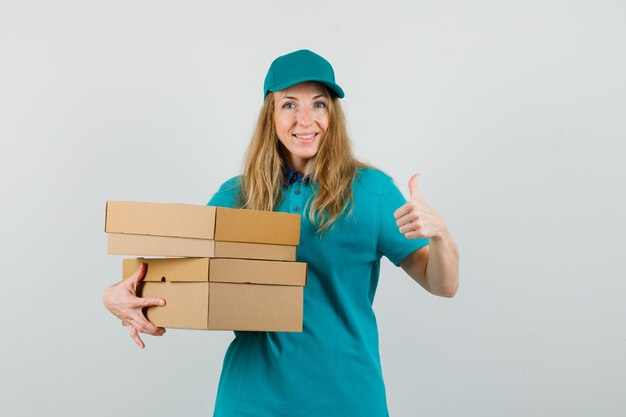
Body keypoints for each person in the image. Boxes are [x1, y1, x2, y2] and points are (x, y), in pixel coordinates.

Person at [103, 49, 459, 417]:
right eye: (289, 105)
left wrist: (440, 235)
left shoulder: (372, 192)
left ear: (332, 115)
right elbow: (166, 278)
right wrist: (113, 298)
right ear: (270, 116)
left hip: (348, 399)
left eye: (318, 105)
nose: (305, 120)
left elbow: (442, 284)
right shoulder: (235, 197)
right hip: (251, 401)